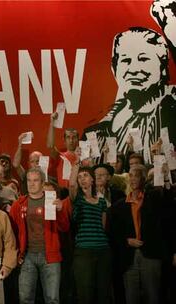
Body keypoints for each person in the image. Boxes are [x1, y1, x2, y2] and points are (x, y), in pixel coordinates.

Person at [84, 0, 176, 162]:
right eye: (126, 61)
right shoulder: (95, 133)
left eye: (143, 59)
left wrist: (170, 24)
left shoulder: (171, 108)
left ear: (163, 68)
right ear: (114, 69)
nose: (134, 69)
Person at [108, 163, 172, 304]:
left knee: (153, 296)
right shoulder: (119, 206)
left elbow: (169, 205)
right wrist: (126, 241)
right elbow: (112, 232)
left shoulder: (153, 199)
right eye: (131, 175)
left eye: (137, 175)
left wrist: (166, 178)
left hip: (151, 255)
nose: (133, 179)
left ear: (143, 179)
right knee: (131, 297)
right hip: (129, 257)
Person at [10, 168, 69, 304]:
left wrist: (60, 210)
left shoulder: (52, 201)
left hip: (50, 256)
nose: (31, 184)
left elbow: (64, 227)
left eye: (35, 180)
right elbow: (12, 231)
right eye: (29, 180)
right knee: (25, 298)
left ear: (43, 183)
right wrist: (17, 253)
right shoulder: (19, 204)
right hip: (27, 256)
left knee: (52, 299)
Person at [69, 160, 111, 304]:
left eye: (85, 175)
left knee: (103, 293)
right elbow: (72, 185)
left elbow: (104, 227)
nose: (82, 179)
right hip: (84, 251)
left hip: (103, 250)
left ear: (92, 178)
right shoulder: (78, 199)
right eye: (80, 176)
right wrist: (76, 165)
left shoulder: (101, 202)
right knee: (85, 293)